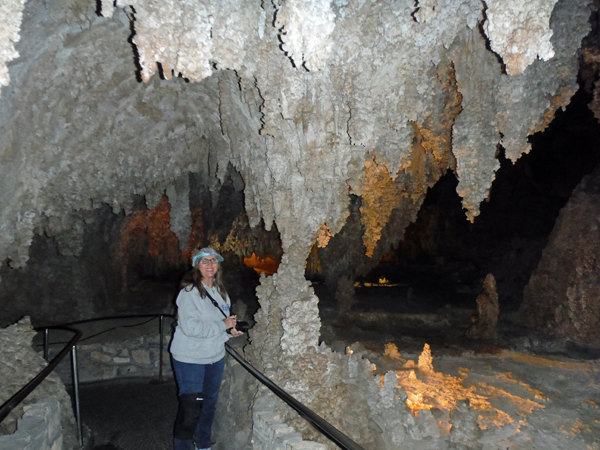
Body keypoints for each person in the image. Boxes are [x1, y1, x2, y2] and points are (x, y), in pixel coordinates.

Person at [170, 247, 243, 450]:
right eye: (204, 261)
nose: (209, 264)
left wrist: (229, 332)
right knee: (191, 409)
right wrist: (223, 326)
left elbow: (222, 323)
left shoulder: (220, 292)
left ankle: (202, 445)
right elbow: (191, 328)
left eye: (213, 260)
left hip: (214, 357)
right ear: (197, 266)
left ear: (218, 264)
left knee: (209, 406)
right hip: (190, 358)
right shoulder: (189, 293)